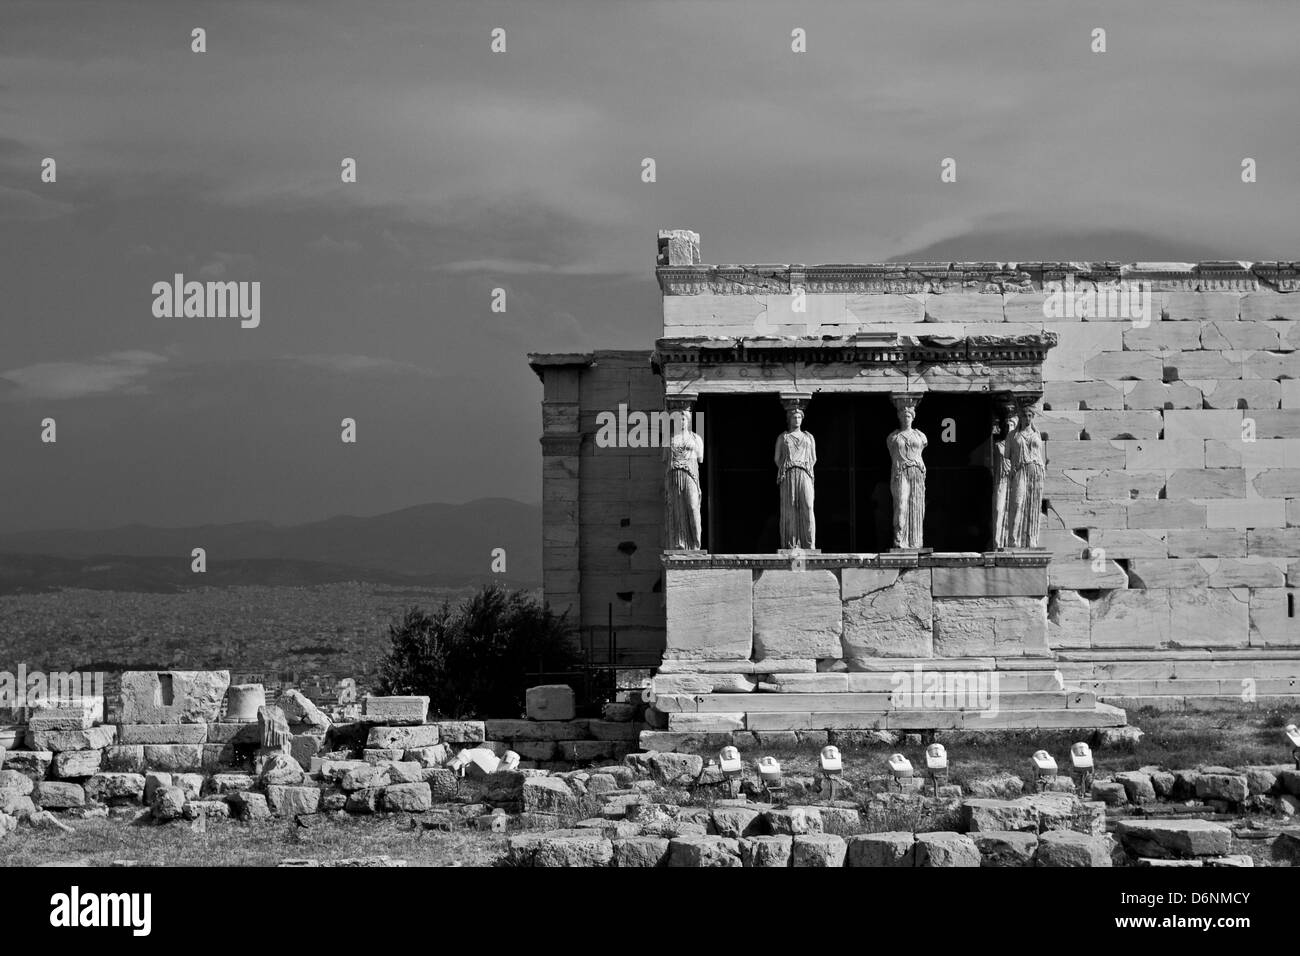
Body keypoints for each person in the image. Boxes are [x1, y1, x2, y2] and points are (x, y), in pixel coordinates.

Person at [775, 404, 816, 550]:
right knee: (790, 508)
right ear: (789, 419)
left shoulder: (808, 437)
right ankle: (791, 544)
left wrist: (801, 465)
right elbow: (777, 459)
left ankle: (809, 544)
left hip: (804, 473)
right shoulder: (783, 437)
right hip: (789, 474)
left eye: (799, 417)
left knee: (808, 506)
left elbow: (813, 458)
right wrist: (788, 466)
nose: (797, 420)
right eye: (794, 417)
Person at [886, 401, 927, 549]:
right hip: (901, 472)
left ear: (913, 417)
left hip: (917, 471)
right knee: (901, 504)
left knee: (916, 505)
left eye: (909, 416)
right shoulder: (893, 437)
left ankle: (915, 542)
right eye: (903, 416)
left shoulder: (920, 435)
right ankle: (899, 539)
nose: (906, 418)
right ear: (899, 417)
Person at [664, 408, 704, 550]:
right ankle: (679, 542)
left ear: (688, 421)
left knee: (693, 506)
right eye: (678, 419)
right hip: (675, 475)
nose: (681, 422)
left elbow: (700, 457)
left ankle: (696, 543)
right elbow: (666, 460)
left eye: (683, 419)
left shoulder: (696, 438)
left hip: (690, 474)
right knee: (677, 509)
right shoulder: (669, 439)